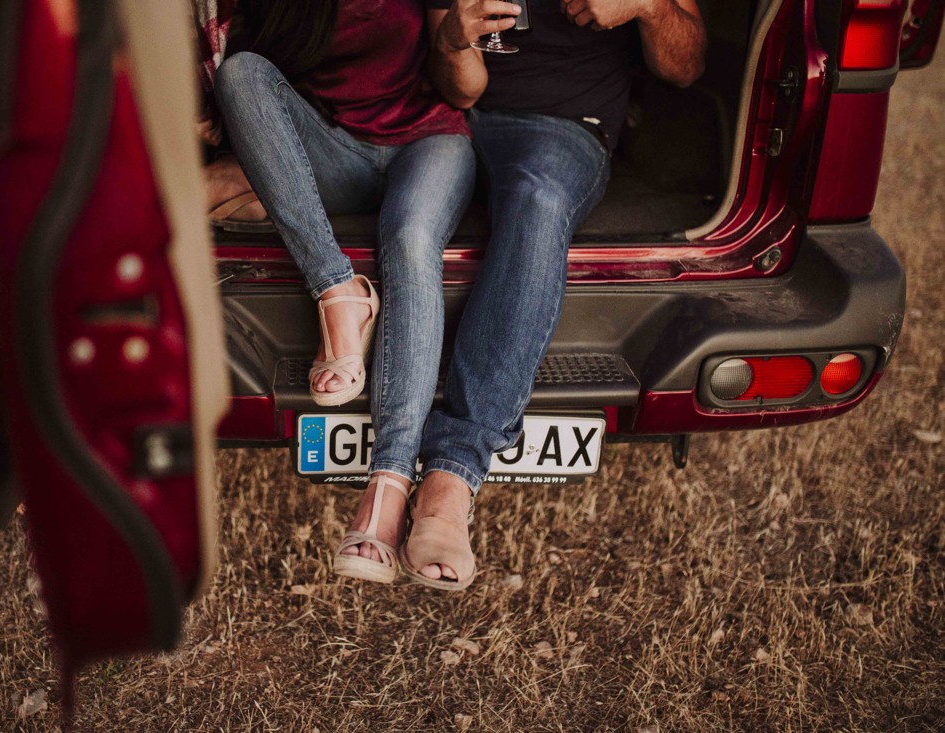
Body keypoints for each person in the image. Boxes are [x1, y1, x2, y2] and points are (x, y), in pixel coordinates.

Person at [385, 0, 708, 590]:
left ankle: (451, 477)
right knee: (402, 208)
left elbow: (685, 67)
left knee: (537, 199)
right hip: (449, 117)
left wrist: (649, 5)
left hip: (564, 128)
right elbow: (456, 92)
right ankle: (389, 464)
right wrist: (454, 41)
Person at [209, 0, 477, 583]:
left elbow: (465, 92)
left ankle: (386, 495)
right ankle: (339, 290)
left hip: (429, 142)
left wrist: (459, 38)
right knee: (241, 73)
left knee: (409, 239)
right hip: (335, 153)